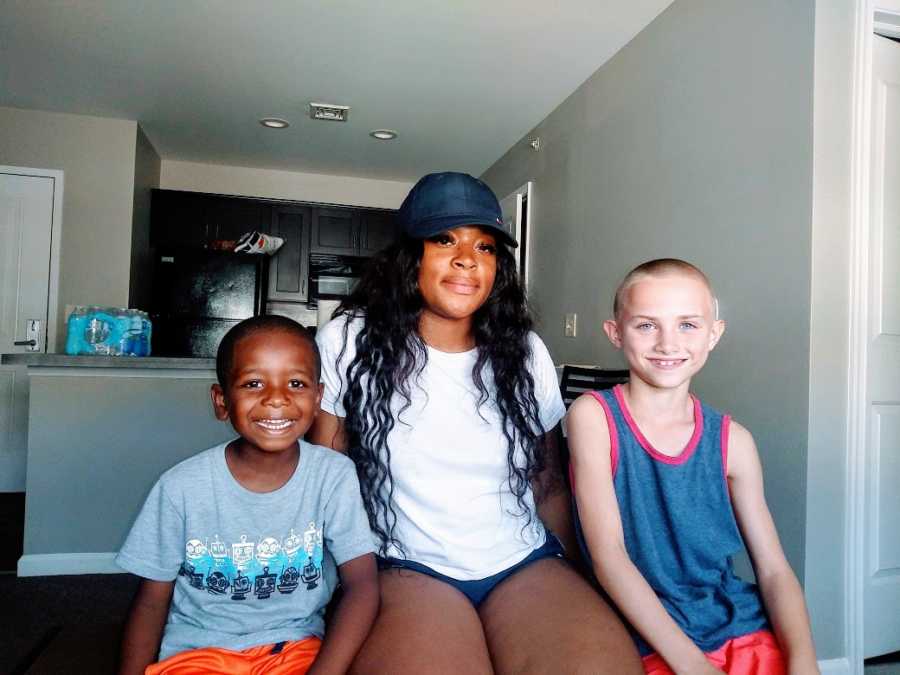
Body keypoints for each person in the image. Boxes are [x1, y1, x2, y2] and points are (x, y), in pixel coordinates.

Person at [308, 171, 641, 674]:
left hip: (521, 561)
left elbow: (548, 484)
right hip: (406, 567)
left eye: (485, 247)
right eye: (445, 239)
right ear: (409, 256)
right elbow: (325, 475)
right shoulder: (348, 340)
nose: (467, 258)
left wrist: (583, 581)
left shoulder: (524, 350)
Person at [567, 258, 819, 675]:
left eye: (688, 325)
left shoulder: (734, 442)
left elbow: (773, 570)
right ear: (615, 332)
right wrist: (691, 664)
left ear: (713, 335)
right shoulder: (592, 417)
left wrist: (804, 660)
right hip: (645, 633)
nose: (668, 343)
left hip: (733, 624)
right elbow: (609, 557)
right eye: (646, 325)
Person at [117, 315, 378, 675]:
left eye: (296, 383)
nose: (276, 399)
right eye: (254, 383)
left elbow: (363, 585)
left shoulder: (333, 476)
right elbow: (150, 602)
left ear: (318, 398)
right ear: (221, 400)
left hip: (296, 650)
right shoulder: (180, 488)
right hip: (200, 654)